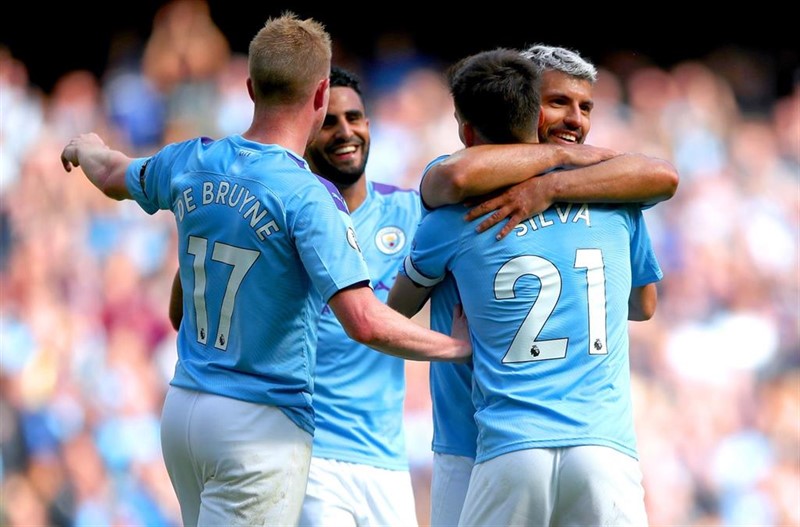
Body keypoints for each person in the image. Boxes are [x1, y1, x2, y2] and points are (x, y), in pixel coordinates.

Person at [59, 13, 471, 527]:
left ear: (251, 88)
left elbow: (114, 174)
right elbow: (364, 321)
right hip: (256, 423)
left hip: (186, 408)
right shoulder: (308, 196)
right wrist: (456, 347)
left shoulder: (194, 157)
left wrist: (86, 147)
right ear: (321, 95)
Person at [391, 43, 678, 527]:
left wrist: (553, 183)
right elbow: (643, 303)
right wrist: (562, 165)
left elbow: (393, 309)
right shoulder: (610, 199)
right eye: (559, 102)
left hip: (504, 441)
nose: (575, 120)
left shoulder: (461, 217)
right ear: (524, 103)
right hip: (492, 439)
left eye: (585, 107)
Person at [169, 65, 423, 526]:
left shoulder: (409, 214)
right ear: (306, 129)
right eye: (330, 121)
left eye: (356, 118)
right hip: (311, 455)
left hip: (388, 461)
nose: (346, 131)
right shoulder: (280, 213)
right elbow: (183, 310)